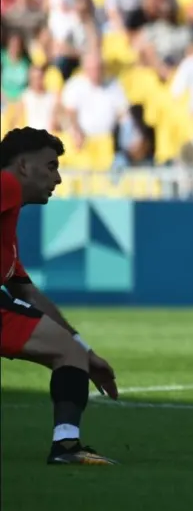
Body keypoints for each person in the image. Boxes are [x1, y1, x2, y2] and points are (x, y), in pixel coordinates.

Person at [0, 127, 119, 464]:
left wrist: (85, 350)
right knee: (68, 352)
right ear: (24, 166)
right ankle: (66, 447)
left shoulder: (8, 228)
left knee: (69, 351)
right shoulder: (6, 184)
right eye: (51, 166)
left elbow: (26, 291)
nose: (58, 178)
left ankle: (67, 447)